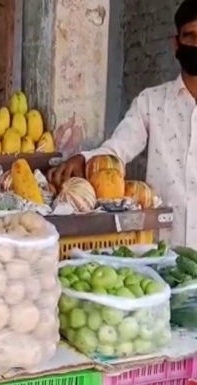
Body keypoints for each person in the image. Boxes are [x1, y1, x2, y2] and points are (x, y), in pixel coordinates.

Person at [50, 0, 197, 247]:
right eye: (189, 36)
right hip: (162, 251)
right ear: (176, 44)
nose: (195, 44)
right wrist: (85, 159)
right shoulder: (152, 102)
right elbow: (117, 149)